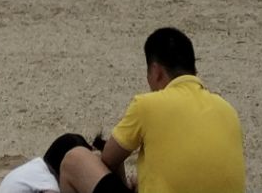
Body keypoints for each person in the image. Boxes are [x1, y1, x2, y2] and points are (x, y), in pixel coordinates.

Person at [54, 27, 244, 193]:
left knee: (75, 159)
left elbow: (109, 159)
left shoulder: (147, 105)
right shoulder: (228, 110)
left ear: (156, 71)